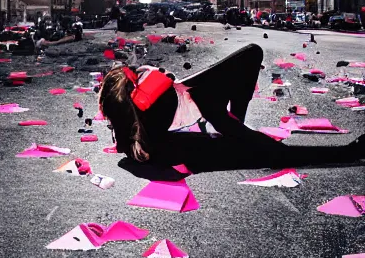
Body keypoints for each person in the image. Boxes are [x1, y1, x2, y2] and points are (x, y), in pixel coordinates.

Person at [99, 44, 364, 174]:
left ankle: (238, 123)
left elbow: (136, 145)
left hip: (201, 105)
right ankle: (349, 152)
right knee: (276, 154)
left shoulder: (135, 129)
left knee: (271, 151)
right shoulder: (143, 112)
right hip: (207, 108)